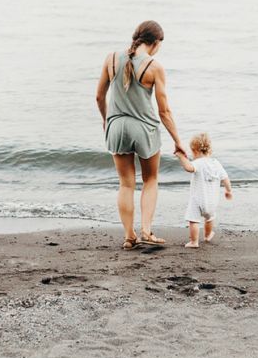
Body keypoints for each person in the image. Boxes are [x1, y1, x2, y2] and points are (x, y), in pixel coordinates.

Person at [95, 20, 189, 250]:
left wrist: (107, 121)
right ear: (155, 43)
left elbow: (99, 97)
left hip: (117, 126)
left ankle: (129, 236)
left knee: (126, 184)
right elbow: (164, 110)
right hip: (144, 128)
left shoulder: (111, 58)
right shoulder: (154, 67)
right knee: (150, 180)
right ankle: (146, 230)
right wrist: (178, 141)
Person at [174, 133, 232, 249]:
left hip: (198, 200)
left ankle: (194, 242)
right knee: (209, 218)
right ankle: (208, 235)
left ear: (195, 150)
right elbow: (225, 178)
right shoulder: (216, 163)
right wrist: (228, 190)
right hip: (212, 201)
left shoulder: (198, 163)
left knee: (193, 220)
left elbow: (189, 168)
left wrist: (181, 157)